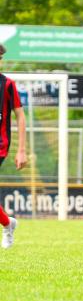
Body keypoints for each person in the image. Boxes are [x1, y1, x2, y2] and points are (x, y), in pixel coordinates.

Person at [0, 44, 27, 248]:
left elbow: (20, 115)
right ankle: (8, 223)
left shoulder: (8, 85)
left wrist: (21, 150)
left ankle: (8, 224)